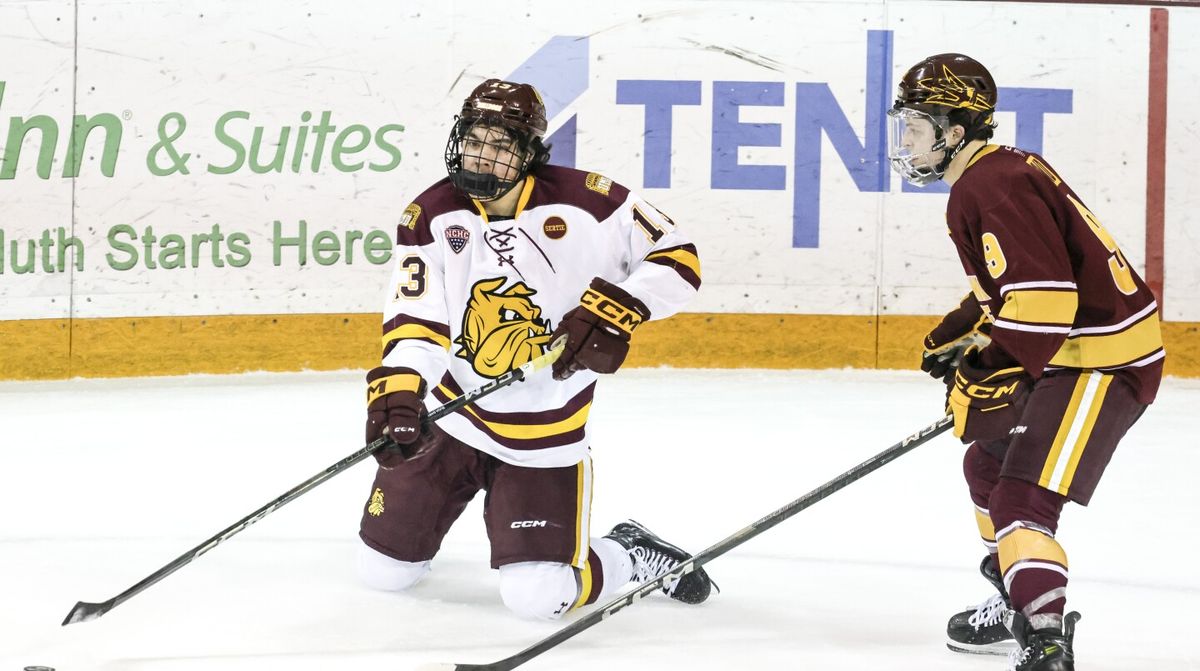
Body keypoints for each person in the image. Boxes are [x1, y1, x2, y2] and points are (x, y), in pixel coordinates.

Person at [355, 78, 712, 620]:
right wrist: (401, 388)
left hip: (544, 436)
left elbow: (679, 258)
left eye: (502, 146)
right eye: (476, 139)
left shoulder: (592, 202)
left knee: (538, 600)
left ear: (530, 154)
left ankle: (628, 553)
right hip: (454, 417)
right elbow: (418, 319)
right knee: (382, 573)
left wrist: (615, 307)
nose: (484, 156)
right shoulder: (430, 213)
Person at [888, 54, 1164, 671]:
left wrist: (988, 365)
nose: (903, 142)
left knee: (1021, 501)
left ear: (954, 131)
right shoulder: (996, 171)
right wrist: (965, 328)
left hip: (1103, 364)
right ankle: (1017, 599)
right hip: (1071, 352)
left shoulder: (992, 183)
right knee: (984, 466)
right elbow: (1020, 284)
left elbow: (1046, 302)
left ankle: (1044, 638)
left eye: (915, 127)